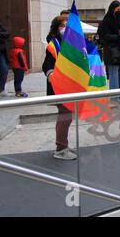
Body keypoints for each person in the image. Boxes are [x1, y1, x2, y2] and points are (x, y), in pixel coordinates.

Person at [42, 16, 77, 160]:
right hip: (60, 86)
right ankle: (60, 149)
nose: (67, 28)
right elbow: (47, 64)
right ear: (57, 28)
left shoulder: (69, 42)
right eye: (64, 25)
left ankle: (63, 145)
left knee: (67, 117)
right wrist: (50, 74)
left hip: (70, 85)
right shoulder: (54, 44)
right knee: (65, 116)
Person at [98, 1, 120, 101]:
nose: (119, 11)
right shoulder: (106, 20)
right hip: (111, 51)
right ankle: (114, 98)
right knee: (114, 75)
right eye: (118, 9)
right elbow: (105, 36)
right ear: (113, 9)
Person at [0, 22, 10, 97]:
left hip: (0, 53)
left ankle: (1, 89)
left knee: (4, 70)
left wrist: (0, 35)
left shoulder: (0, 26)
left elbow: (7, 33)